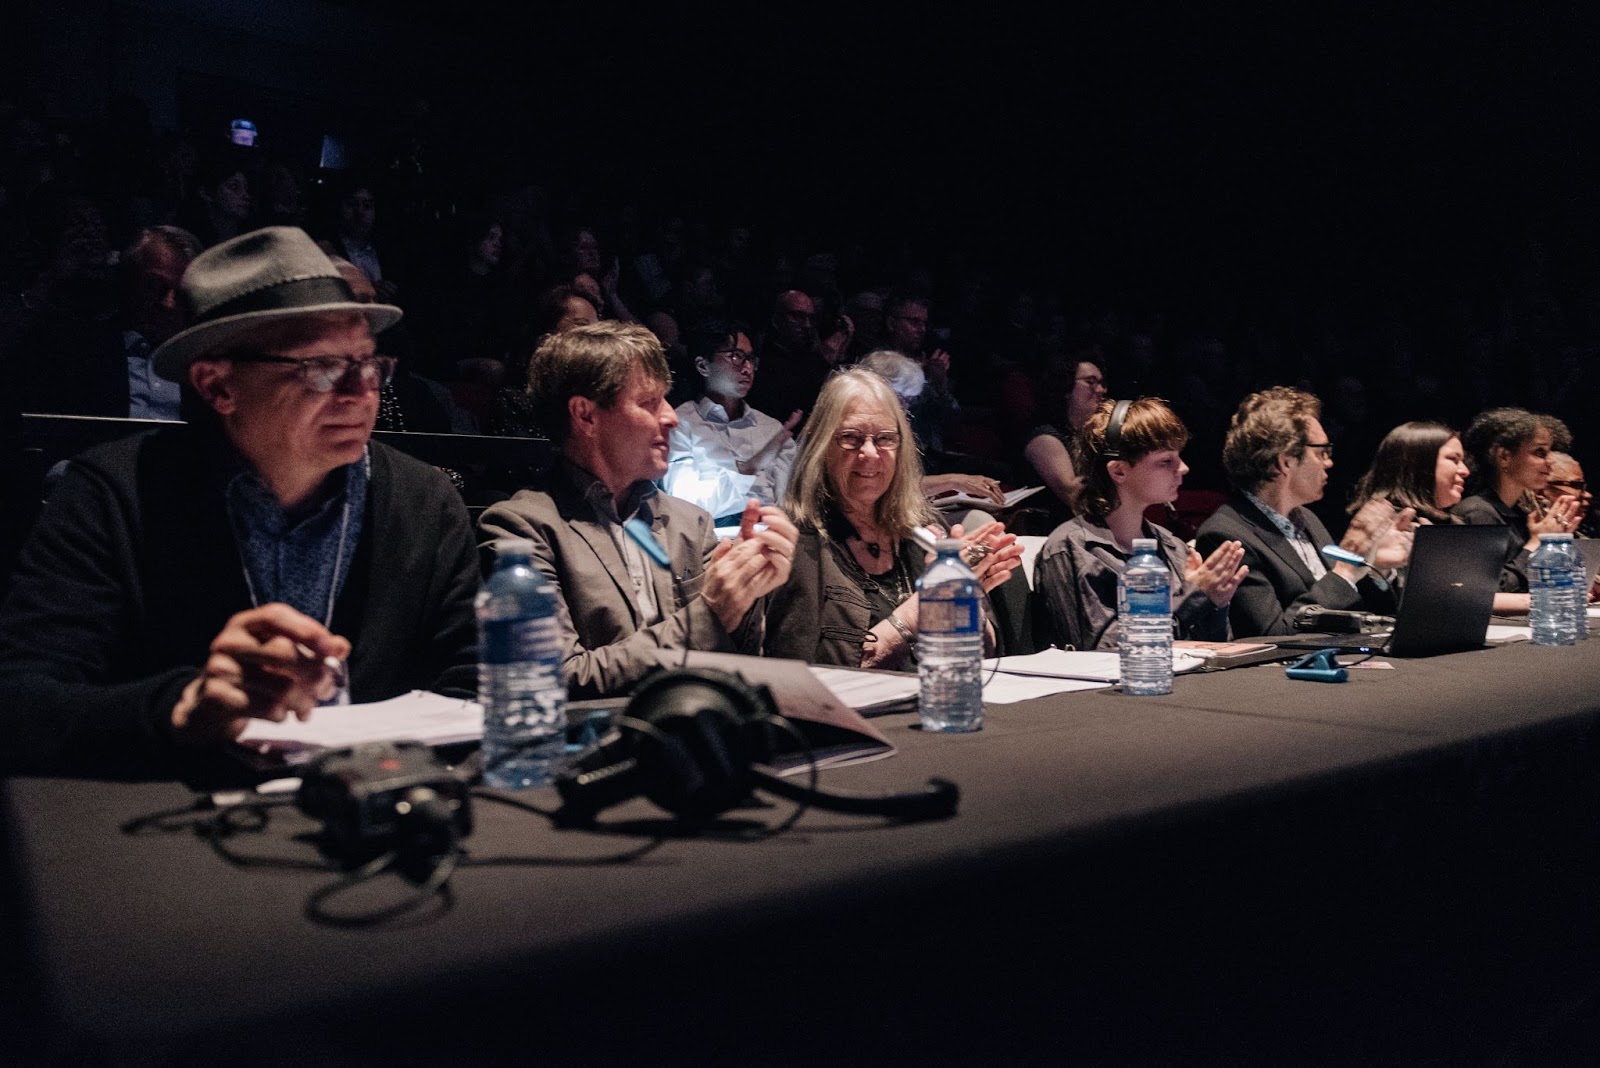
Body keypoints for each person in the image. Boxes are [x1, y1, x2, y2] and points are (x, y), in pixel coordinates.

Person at [0, 226, 479, 778]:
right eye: (320, 367)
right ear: (217, 386)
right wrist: (183, 707)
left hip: (378, 817)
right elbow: (20, 706)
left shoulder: (425, 501)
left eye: (368, 363)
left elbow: (471, 685)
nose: (360, 392)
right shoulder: (114, 494)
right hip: (180, 834)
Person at [477, 322, 798, 699]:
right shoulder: (521, 528)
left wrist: (749, 590)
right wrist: (710, 614)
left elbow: (735, 664)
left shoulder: (690, 523)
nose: (671, 417)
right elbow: (553, 680)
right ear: (585, 416)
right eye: (649, 403)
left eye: (666, 400)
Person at [763, 368, 1023, 670]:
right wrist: (919, 611)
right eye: (851, 438)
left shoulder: (925, 530)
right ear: (820, 447)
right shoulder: (793, 541)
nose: (870, 453)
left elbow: (985, 658)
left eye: (885, 439)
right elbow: (807, 678)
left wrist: (964, 602)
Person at [1194, 387, 1412, 637]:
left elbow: (1356, 609)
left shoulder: (1308, 519)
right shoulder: (1226, 535)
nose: (1329, 461)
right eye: (1321, 452)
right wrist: (1346, 569)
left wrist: (1376, 569)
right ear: (1285, 461)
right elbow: (1271, 634)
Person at [1035, 398, 1247, 651]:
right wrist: (1195, 597)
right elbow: (1098, 653)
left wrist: (1215, 602)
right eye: (1166, 461)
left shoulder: (1174, 548)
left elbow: (1213, 650)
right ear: (1119, 472)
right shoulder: (1071, 550)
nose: (1184, 468)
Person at [1347, 421, 1534, 615]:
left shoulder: (1448, 523)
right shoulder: (1377, 524)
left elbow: (1471, 594)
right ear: (1420, 463)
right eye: (1453, 459)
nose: (1465, 471)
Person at [662, 320, 801, 522]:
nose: (748, 368)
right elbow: (685, 506)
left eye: (751, 359)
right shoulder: (681, 424)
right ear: (703, 366)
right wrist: (749, 468)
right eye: (736, 356)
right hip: (711, 543)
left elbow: (791, 504)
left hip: (771, 537)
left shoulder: (771, 428)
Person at [1452, 408, 1582, 592]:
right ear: (1504, 457)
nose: (1550, 462)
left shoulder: (1521, 514)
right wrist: (1537, 543)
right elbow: (1492, 590)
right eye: (1539, 453)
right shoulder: (1477, 513)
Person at [1023, 354, 1108, 517]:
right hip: (1054, 532)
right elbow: (1075, 496)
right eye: (1091, 382)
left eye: (1102, 384)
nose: (1101, 390)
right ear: (1065, 388)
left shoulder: (1089, 434)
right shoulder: (1044, 438)